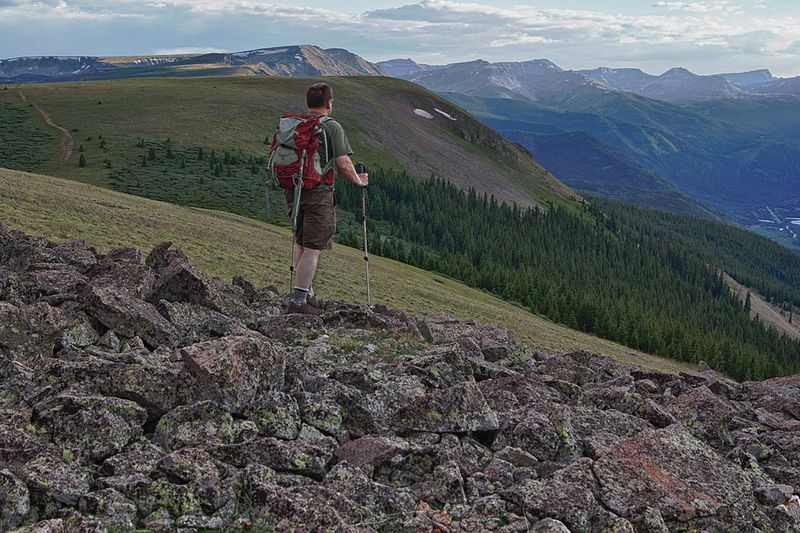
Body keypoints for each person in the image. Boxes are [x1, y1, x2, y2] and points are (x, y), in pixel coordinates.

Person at [286, 83, 368, 314]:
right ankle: (299, 302)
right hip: (318, 192)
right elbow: (343, 163)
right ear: (329, 104)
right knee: (313, 247)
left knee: (302, 241)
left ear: (308, 103)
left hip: (294, 189)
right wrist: (359, 181)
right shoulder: (331, 127)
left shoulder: (296, 124)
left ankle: (305, 293)